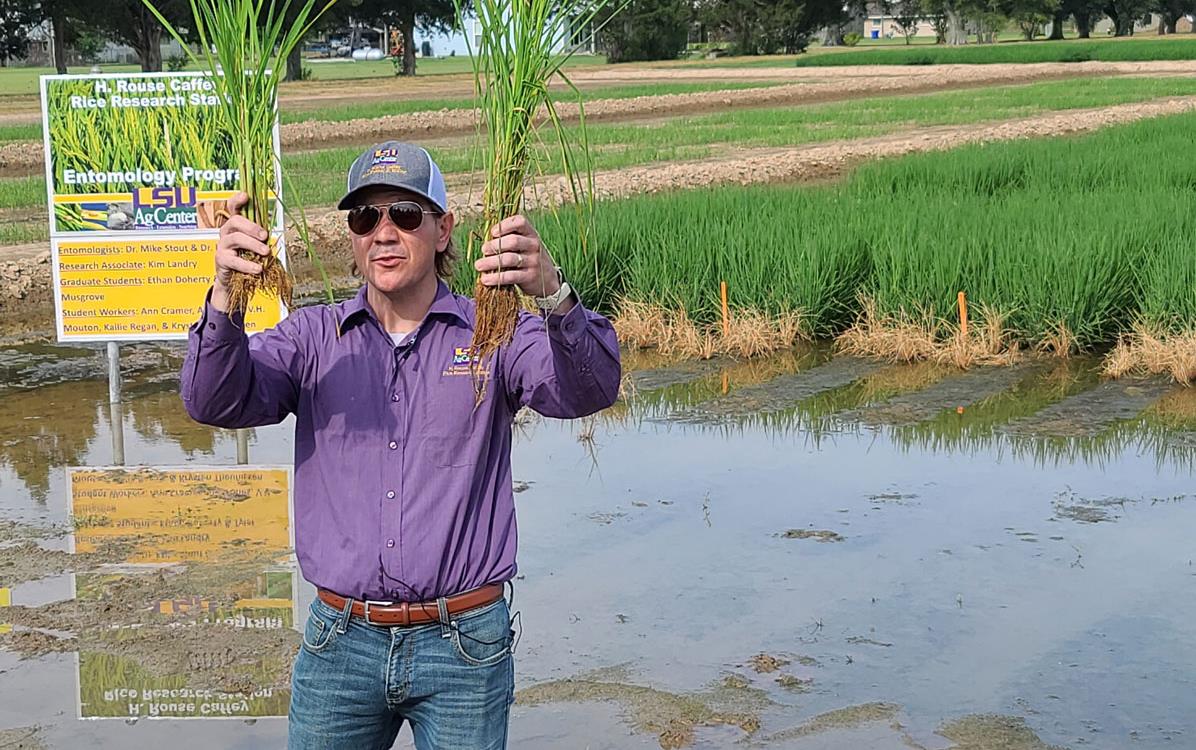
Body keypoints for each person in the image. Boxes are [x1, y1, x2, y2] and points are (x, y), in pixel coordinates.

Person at [181, 140, 621, 749]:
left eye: (405, 215)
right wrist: (226, 291)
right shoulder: (314, 337)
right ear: (353, 237)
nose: (384, 233)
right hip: (340, 641)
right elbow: (213, 402)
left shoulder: (492, 334)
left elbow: (591, 390)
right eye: (366, 217)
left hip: (464, 644)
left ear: (443, 230)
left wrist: (552, 292)